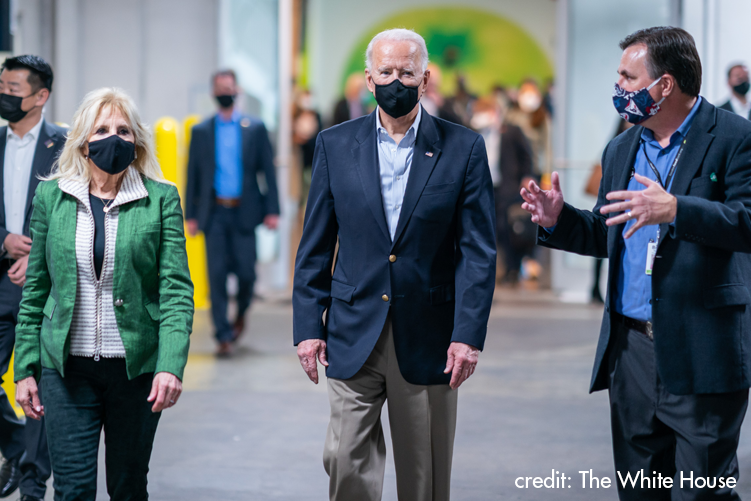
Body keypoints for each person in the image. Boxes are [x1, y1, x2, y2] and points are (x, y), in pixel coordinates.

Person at [522, 26, 751, 500]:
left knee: (702, 492)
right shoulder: (623, 147)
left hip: (701, 347)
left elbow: (746, 222)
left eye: (628, 77)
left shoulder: (734, 137)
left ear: (664, 85)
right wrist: (559, 219)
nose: (619, 86)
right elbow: (611, 232)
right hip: (632, 353)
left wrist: (678, 210)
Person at [293, 28, 496, 501]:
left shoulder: (463, 148)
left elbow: (477, 252)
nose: (396, 80)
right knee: (344, 460)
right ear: (368, 78)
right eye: (386, 72)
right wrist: (308, 325)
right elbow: (316, 246)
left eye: (407, 72)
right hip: (352, 327)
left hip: (429, 335)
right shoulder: (334, 145)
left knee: (423, 477)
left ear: (425, 79)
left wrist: (467, 335)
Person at [13, 87, 194, 500]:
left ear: (137, 142)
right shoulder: (52, 196)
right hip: (66, 369)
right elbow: (37, 288)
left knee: (128, 488)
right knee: (73, 490)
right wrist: (25, 367)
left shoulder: (160, 198)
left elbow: (176, 291)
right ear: (82, 140)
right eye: (103, 129)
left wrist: (170, 364)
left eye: (124, 130)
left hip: (137, 370)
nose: (114, 138)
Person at [0, 55, 64, 501]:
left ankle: (31, 481)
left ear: (40, 96)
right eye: (1, 86)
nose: (4, 95)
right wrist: (3, 239)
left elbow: (78, 212)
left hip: (45, 288)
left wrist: (37, 255)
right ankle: (16, 450)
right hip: (0, 279)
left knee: (36, 385)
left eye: (13, 89)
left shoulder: (66, 147)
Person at [185, 69, 280, 356]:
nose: (225, 92)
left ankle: (240, 315)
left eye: (229, 87)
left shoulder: (255, 128)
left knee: (246, 275)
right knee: (215, 276)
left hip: (245, 213)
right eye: (220, 88)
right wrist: (190, 214)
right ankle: (222, 335)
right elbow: (193, 176)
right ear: (213, 93)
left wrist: (272, 210)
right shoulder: (201, 131)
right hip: (214, 214)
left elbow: (268, 171)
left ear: (237, 91)